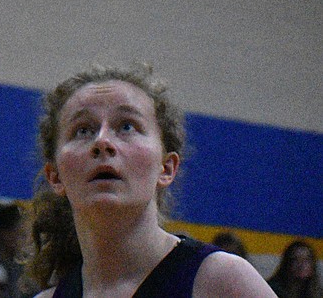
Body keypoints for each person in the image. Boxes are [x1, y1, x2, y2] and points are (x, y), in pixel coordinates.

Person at [25, 65, 275, 298]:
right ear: (55, 176)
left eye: (126, 126)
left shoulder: (221, 280)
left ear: (166, 168)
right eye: (83, 130)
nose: (102, 141)